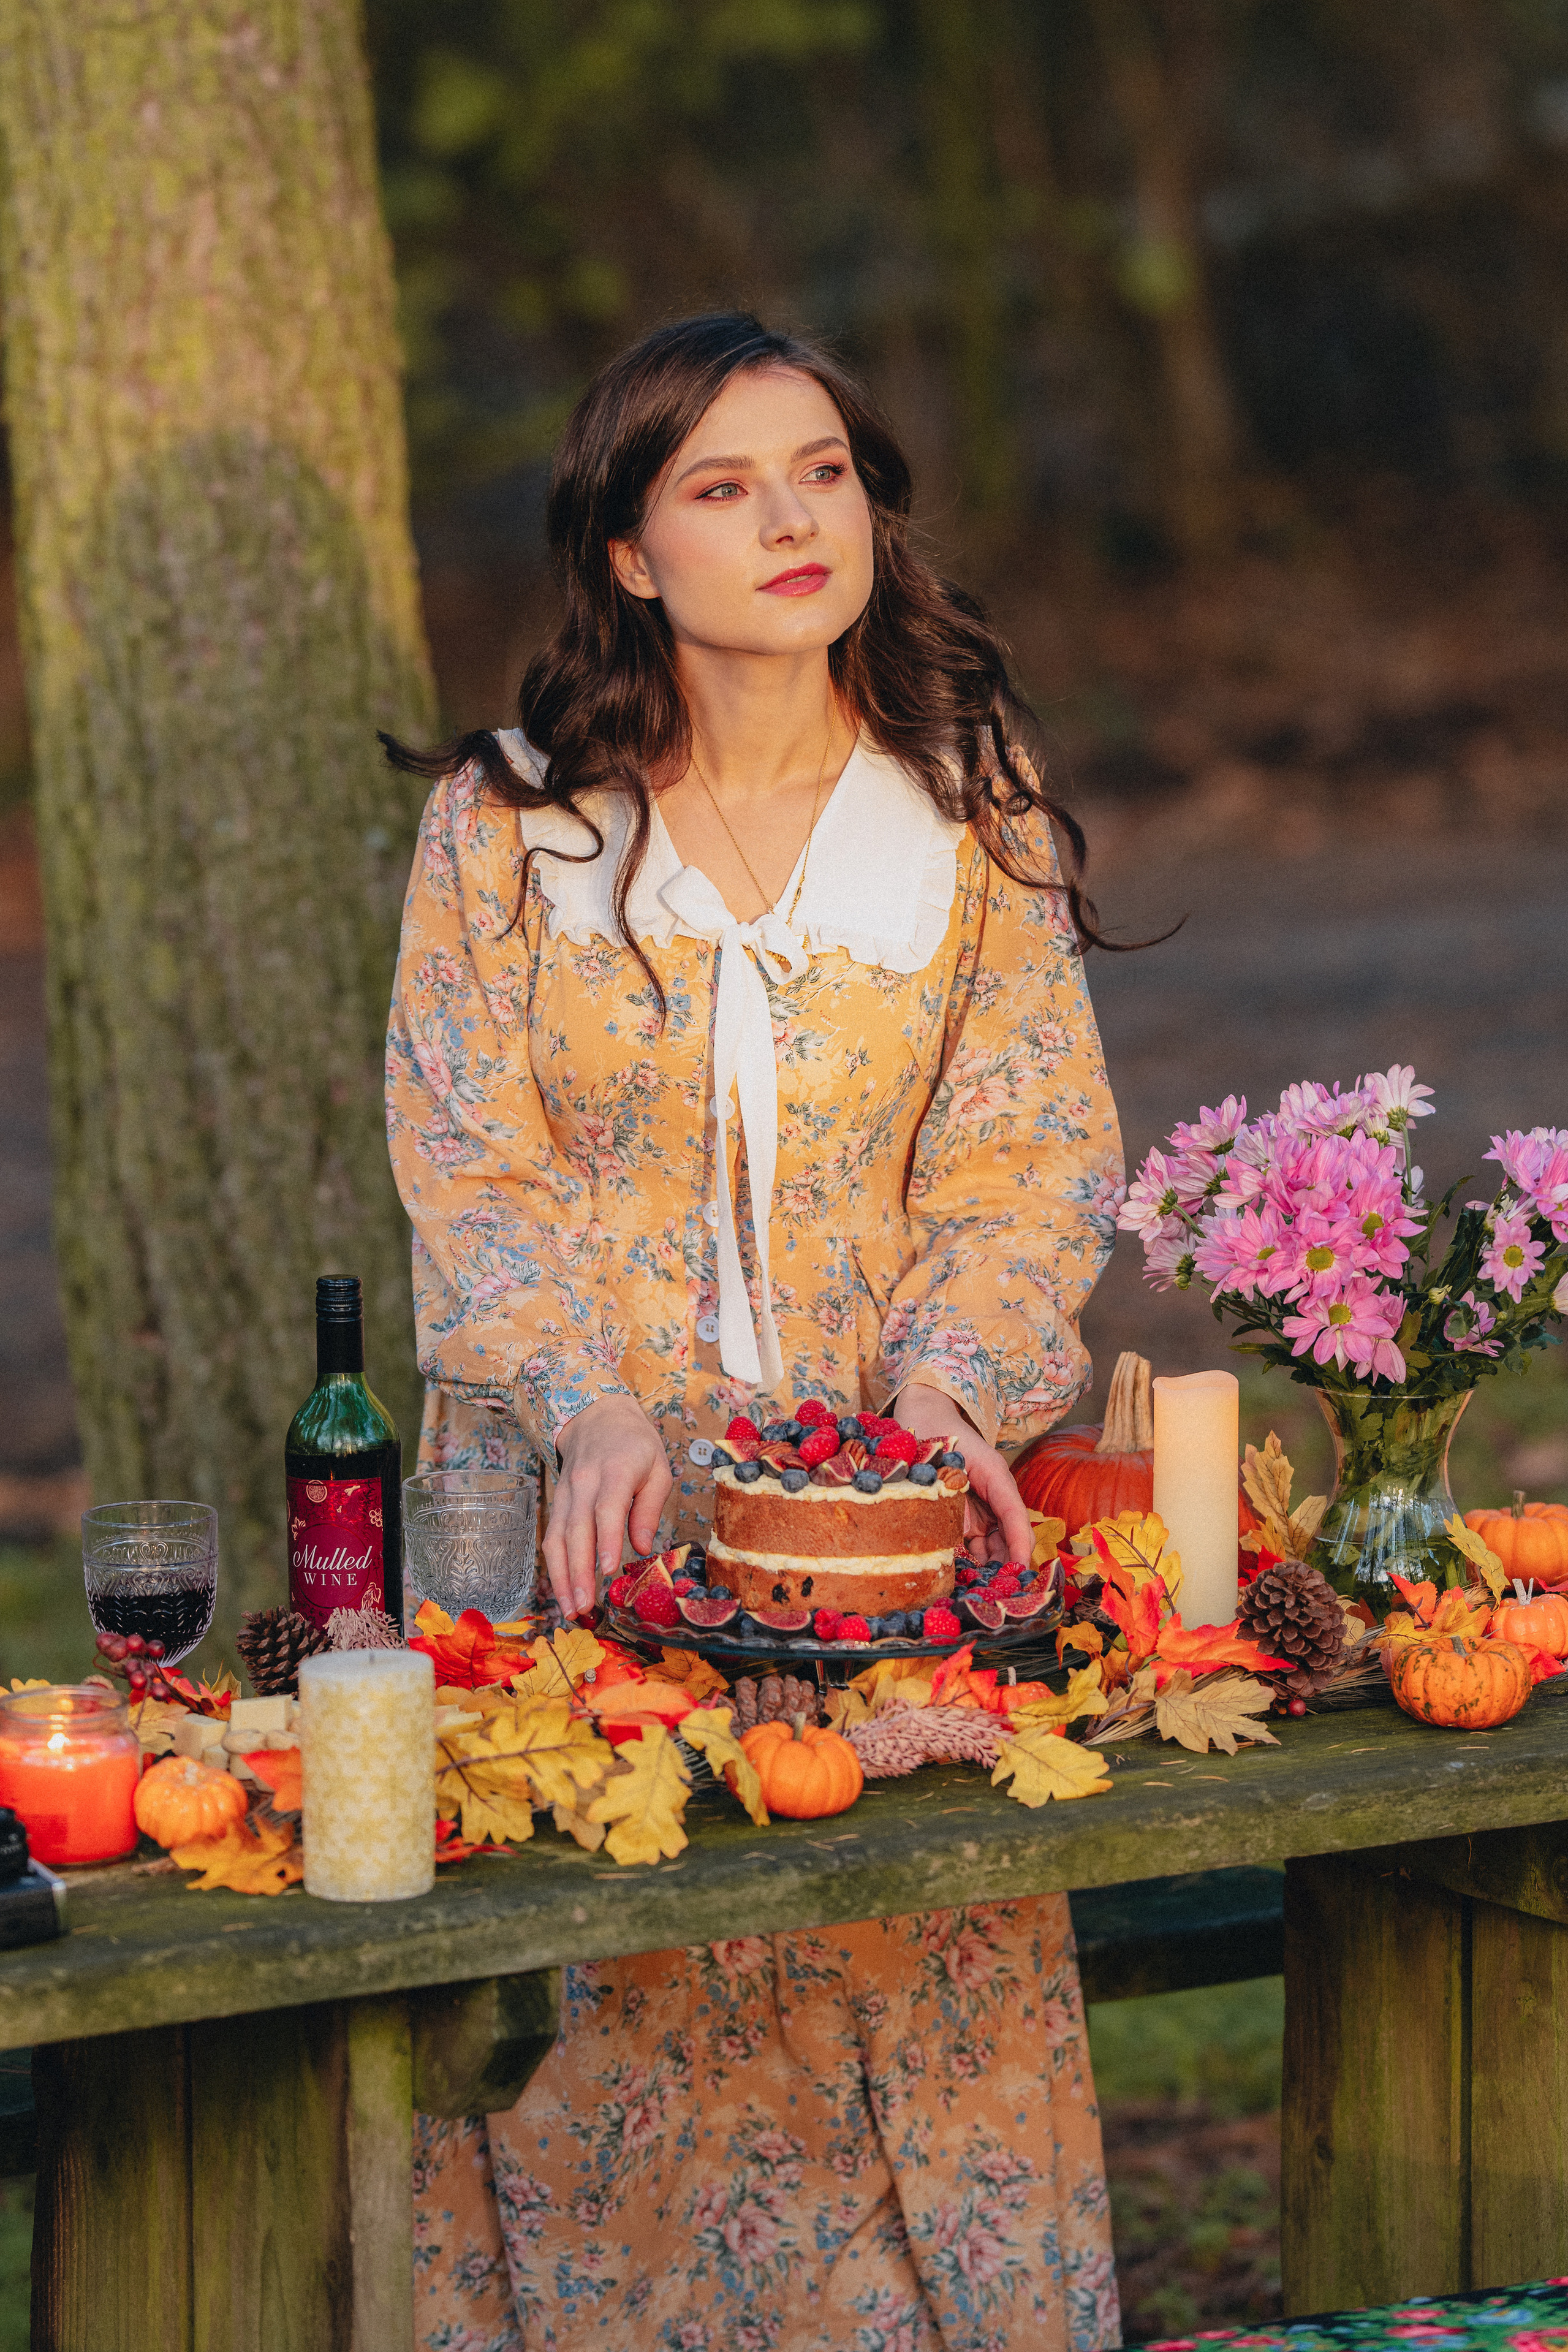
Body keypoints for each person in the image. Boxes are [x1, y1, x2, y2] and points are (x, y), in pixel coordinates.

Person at [387, 312, 1126, 2352]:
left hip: (880, 1528)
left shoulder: (966, 803)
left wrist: (943, 1395)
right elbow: (472, 1167)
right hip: (584, 1520)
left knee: (906, 1967)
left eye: (822, 470)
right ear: (632, 552)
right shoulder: (513, 833)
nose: (793, 518)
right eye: (723, 485)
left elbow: (1027, 1155)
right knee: (605, 2030)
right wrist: (590, 1402)